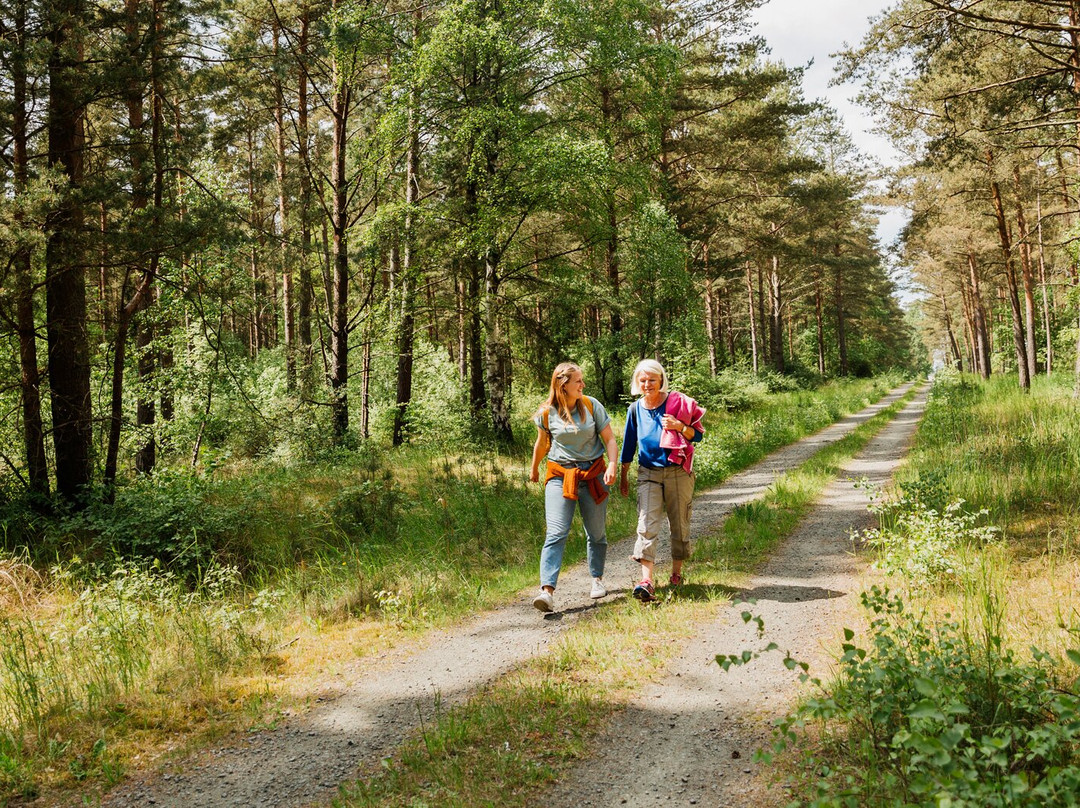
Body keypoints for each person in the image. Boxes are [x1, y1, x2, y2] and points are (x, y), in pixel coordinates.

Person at [529, 362, 619, 613]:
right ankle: (546, 591)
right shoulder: (546, 413)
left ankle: (597, 578)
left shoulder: (591, 405)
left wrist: (612, 464)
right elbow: (542, 444)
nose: (583, 385)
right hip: (560, 475)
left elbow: (609, 439)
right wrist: (535, 468)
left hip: (593, 474)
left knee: (596, 531)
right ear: (563, 385)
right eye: (578, 381)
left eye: (581, 380)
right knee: (556, 532)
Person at [619, 359, 705, 602]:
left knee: (678, 523)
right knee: (646, 524)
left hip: (678, 471)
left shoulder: (677, 403)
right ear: (637, 382)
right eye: (643, 380)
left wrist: (679, 426)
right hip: (648, 473)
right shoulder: (635, 409)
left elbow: (697, 435)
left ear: (661, 380)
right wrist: (624, 474)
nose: (647, 384)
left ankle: (676, 574)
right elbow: (629, 443)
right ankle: (646, 581)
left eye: (652, 380)